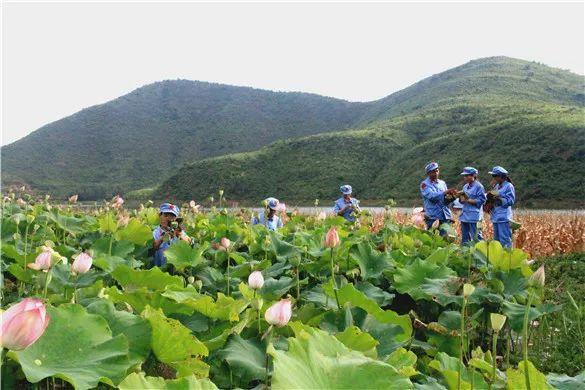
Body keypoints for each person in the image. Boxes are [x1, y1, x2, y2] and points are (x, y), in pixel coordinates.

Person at [420, 162, 456, 236]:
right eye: (433, 172)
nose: (436, 173)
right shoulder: (424, 184)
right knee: (433, 238)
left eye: (437, 170)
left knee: (446, 238)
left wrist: (452, 197)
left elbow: (445, 200)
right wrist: (444, 192)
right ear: (428, 173)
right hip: (433, 217)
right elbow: (432, 196)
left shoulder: (442, 183)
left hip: (445, 216)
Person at [487, 166, 516, 248]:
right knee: (497, 240)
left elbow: (511, 200)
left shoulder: (508, 186)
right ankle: (498, 258)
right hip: (496, 216)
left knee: (505, 239)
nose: (493, 178)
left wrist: (499, 199)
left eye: (495, 176)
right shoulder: (496, 186)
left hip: (504, 217)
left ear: (501, 176)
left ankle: (507, 258)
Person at [458, 167, 487, 245]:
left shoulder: (479, 187)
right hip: (465, 216)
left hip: (475, 217)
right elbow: (462, 201)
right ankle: (465, 254)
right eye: (465, 176)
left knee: (477, 237)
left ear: (474, 176)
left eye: (468, 176)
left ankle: (479, 254)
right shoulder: (465, 187)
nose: (466, 178)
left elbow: (482, 200)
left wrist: (468, 200)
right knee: (465, 238)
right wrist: (460, 198)